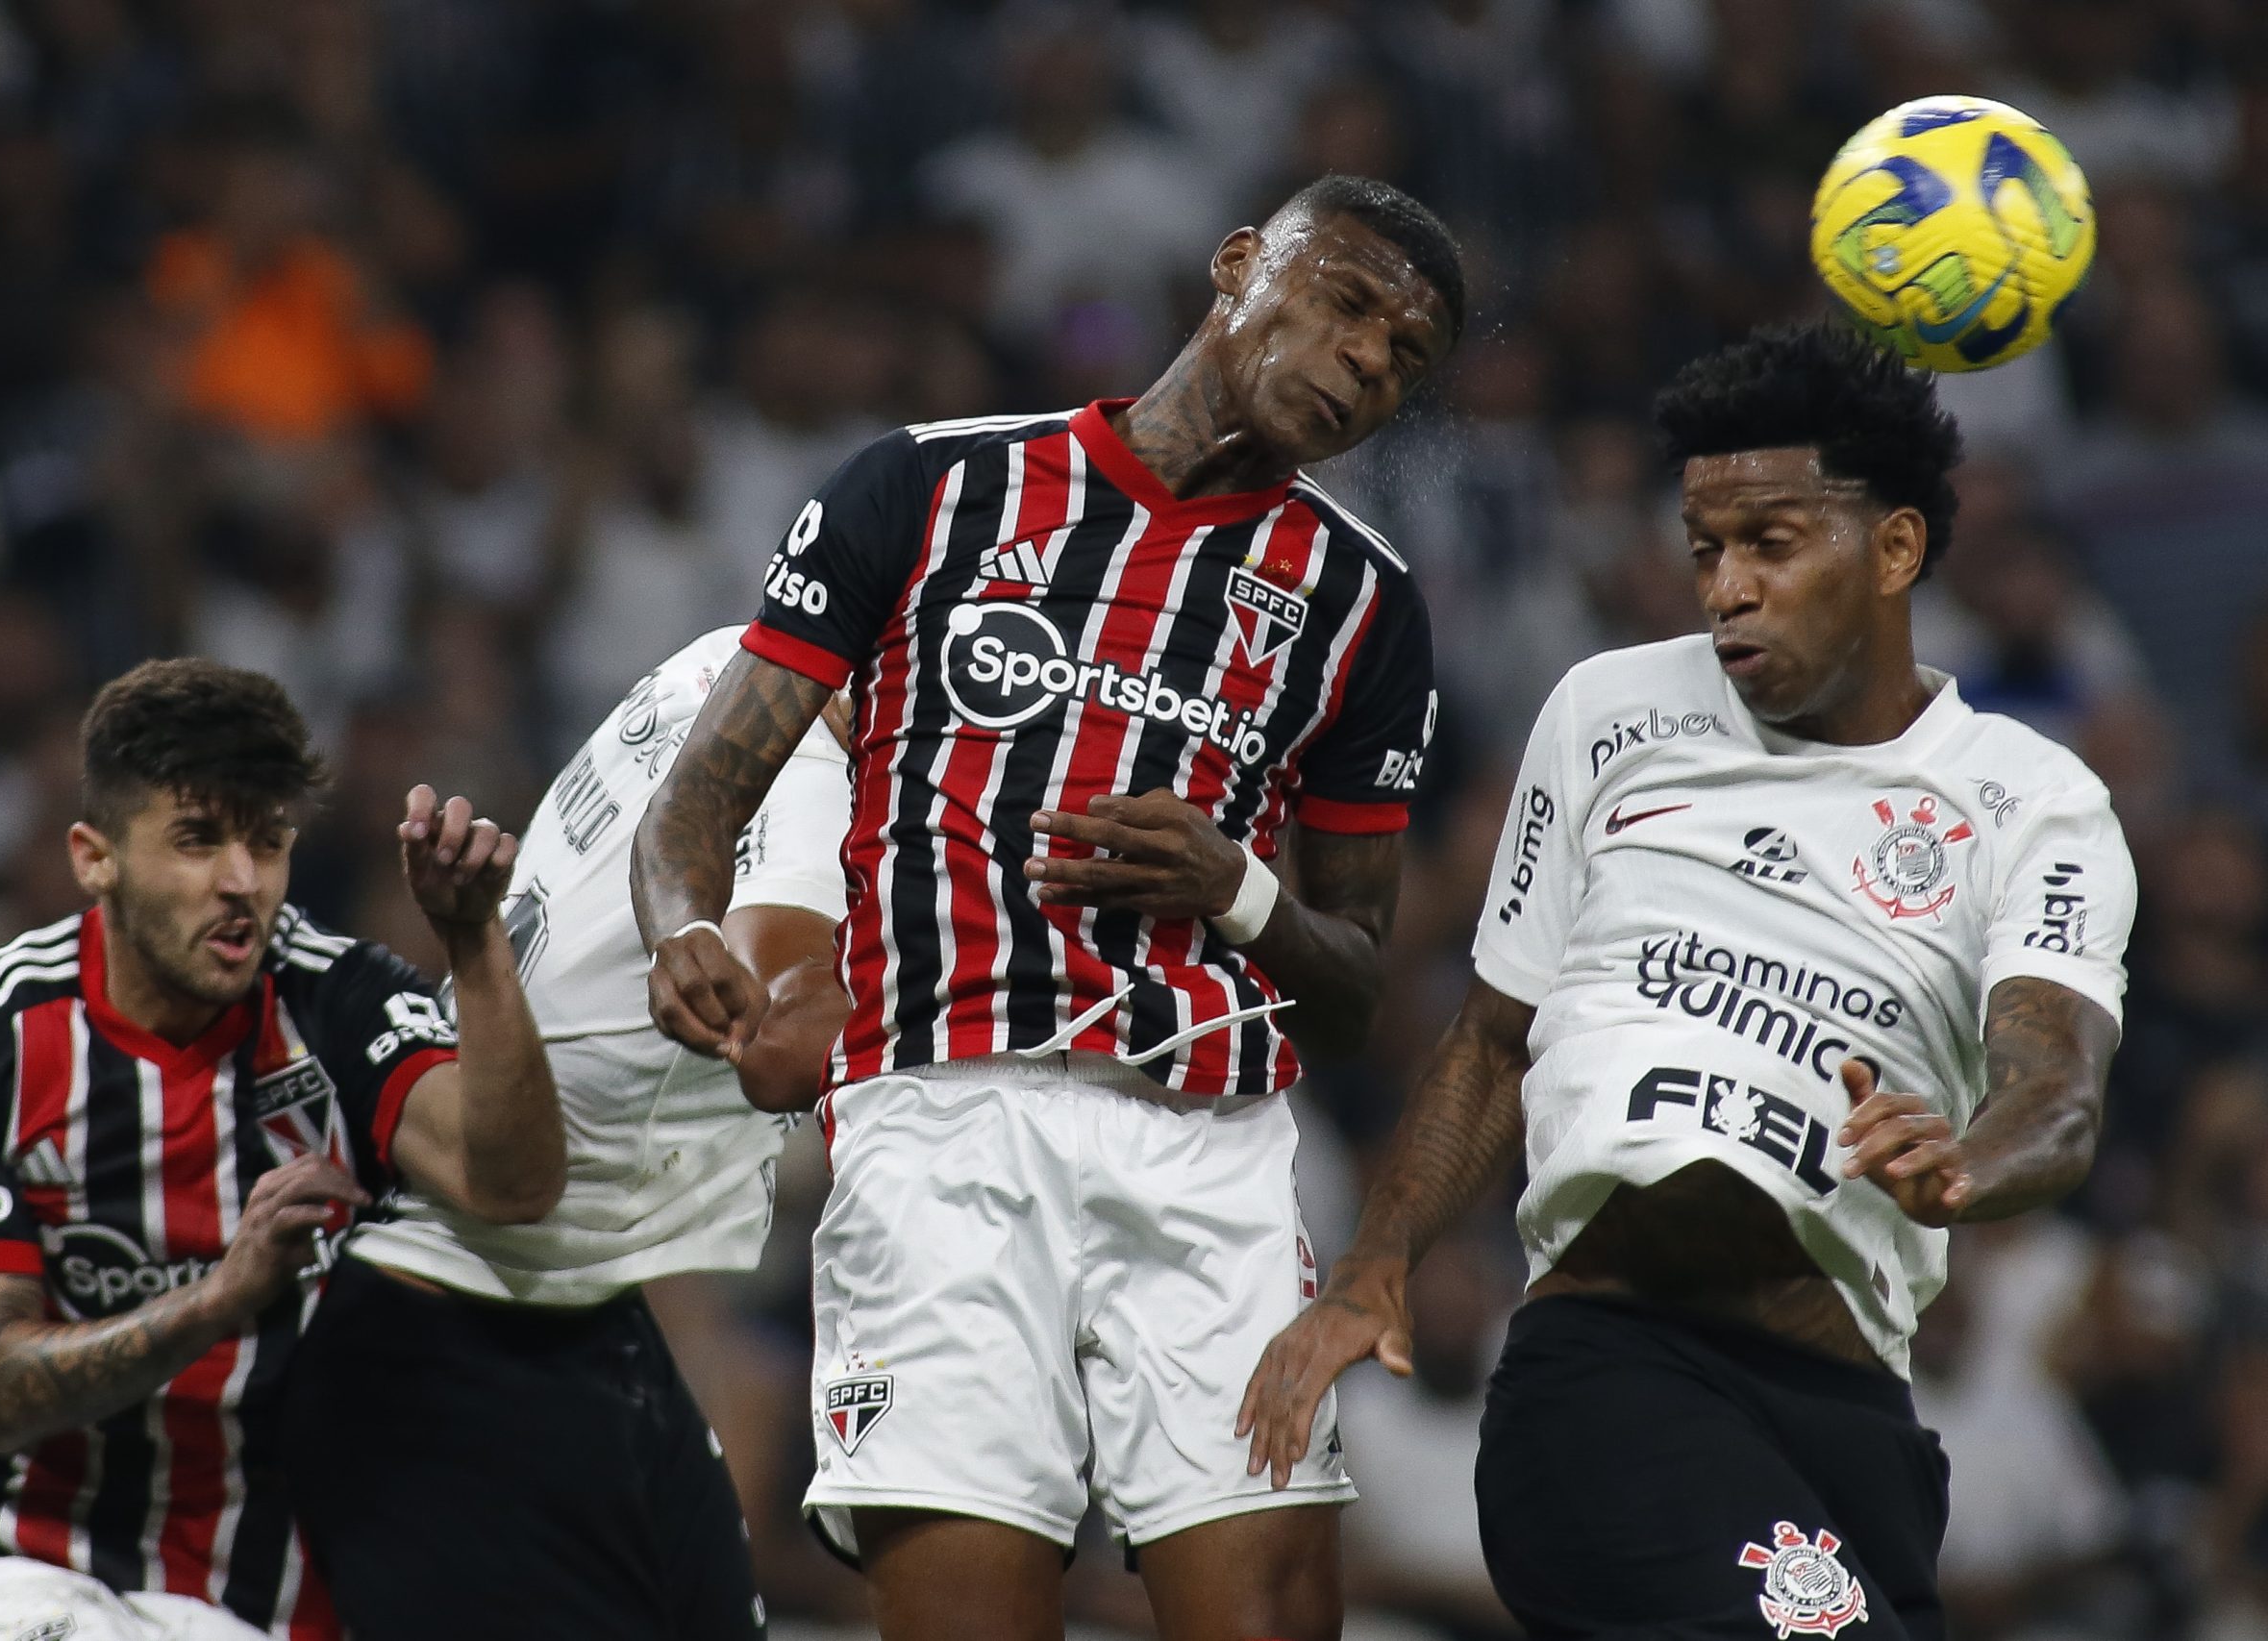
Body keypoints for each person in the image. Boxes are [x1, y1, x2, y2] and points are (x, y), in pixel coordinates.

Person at [634, 173, 1465, 1641]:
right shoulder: (930, 484)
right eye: (1344, 306)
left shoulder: (1360, 602)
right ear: (1235, 266)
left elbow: (1351, 992)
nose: (1362, 365)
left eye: (1402, 358)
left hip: (1207, 1149)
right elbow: (703, 795)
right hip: (941, 1128)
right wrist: (683, 923)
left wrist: (1238, 886)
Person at [1239, 320, 2137, 1639]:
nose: (1725, 585)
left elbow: (2056, 1081)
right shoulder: (1610, 711)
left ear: (1894, 548)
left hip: (1852, 1416)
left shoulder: (2031, 797)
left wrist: (1964, 1163)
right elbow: (1497, 1038)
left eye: (1771, 542)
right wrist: (1377, 1261)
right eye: (1706, 545)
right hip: (1612, 1378)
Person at [0, 659, 563, 1641]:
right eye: (198, 840)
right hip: (24, 1552)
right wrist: (219, 1296)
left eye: (266, 840)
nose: (242, 883)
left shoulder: (338, 999)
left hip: (269, 1587)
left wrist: (473, 945)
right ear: (95, 857)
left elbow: (512, 1184)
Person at [282, 626, 855, 1641]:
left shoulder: (720, 660)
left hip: (561, 1306)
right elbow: (777, 1048)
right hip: (473, 1318)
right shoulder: (809, 786)